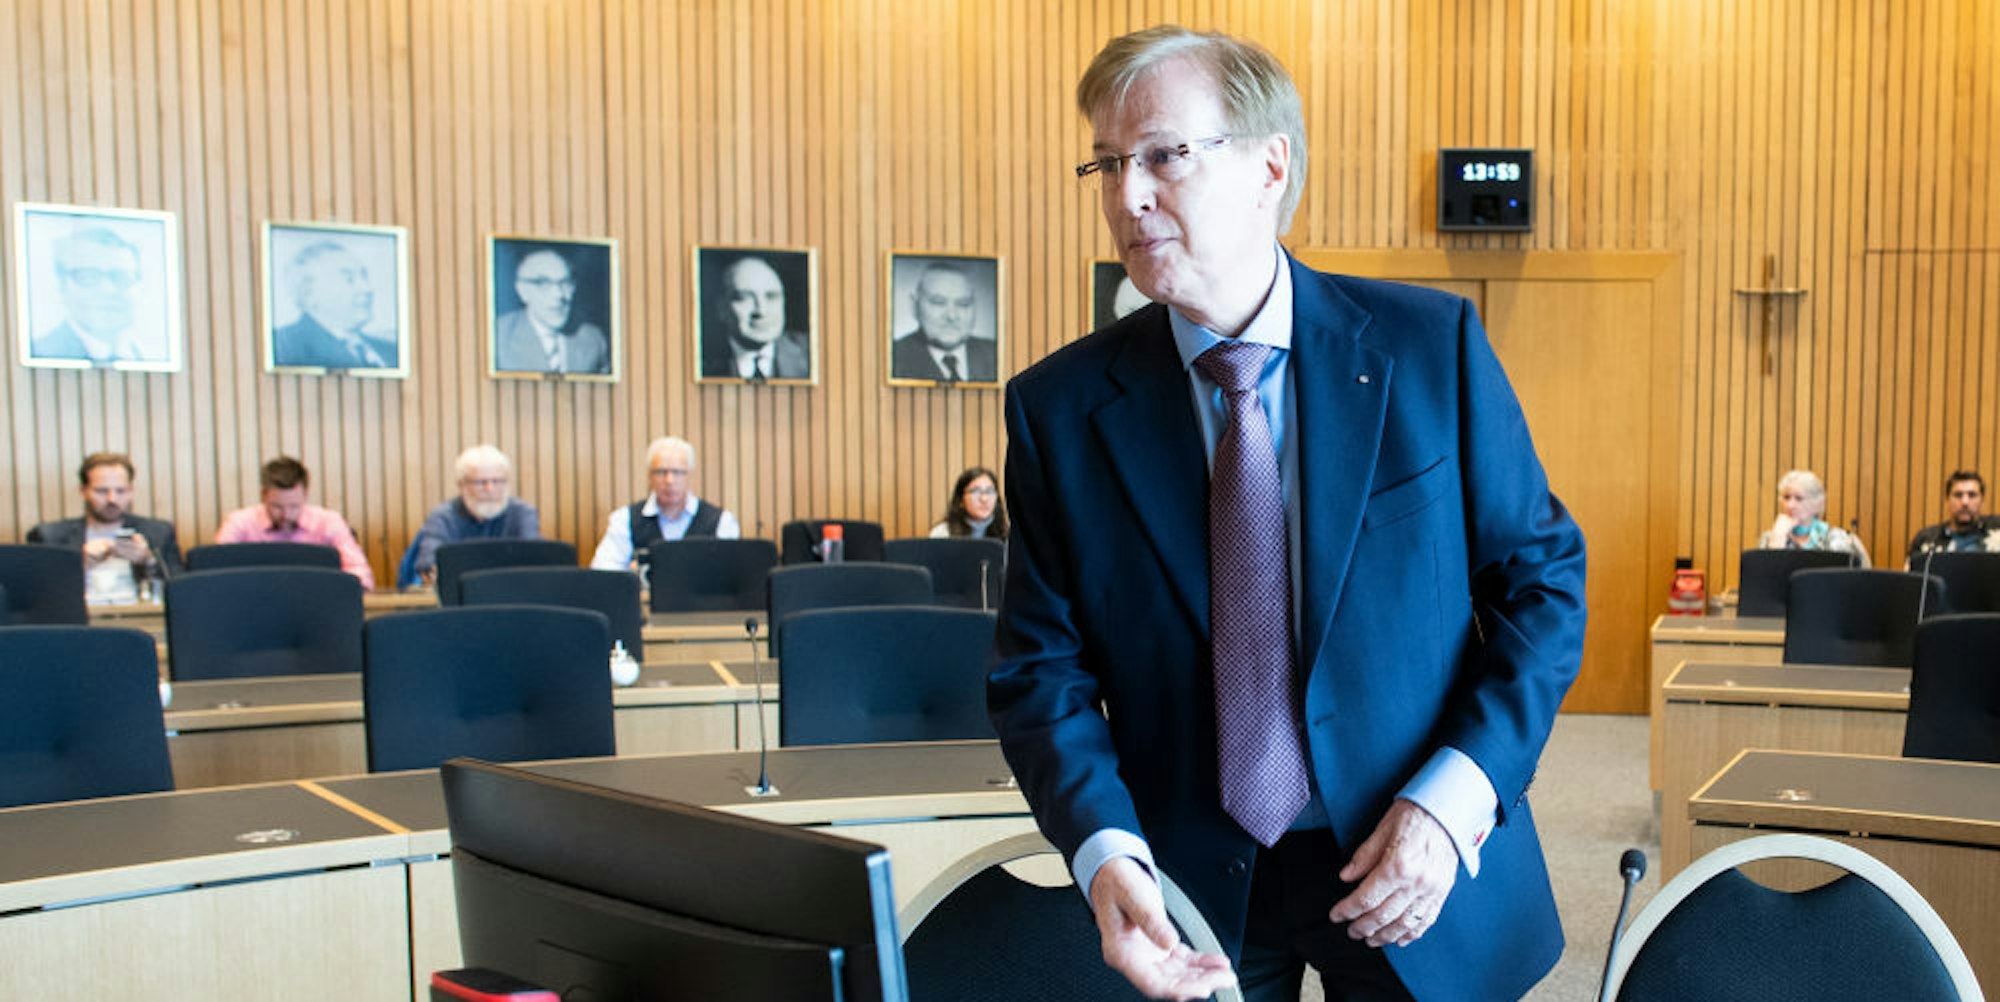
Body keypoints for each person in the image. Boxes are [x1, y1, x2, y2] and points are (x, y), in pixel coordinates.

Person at [987, 27, 1587, 1002]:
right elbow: (1039, 674)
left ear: (1269, 166)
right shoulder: (1059, 411)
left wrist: (1456, 800)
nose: (1126, 195)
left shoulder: (1427, 348)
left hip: (1413, 863)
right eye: (1106, 163)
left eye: (1162, 155)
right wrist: (1103, 850)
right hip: (1187, 892)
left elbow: (1542, 589)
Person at [26, 452, 184, 604]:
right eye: (101, 491)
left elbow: (182, 589)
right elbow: (35, 593)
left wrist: (148, 560)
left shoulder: (159, 532)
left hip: (142, 618)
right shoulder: (49, 536)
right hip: (79, 618)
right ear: (83, 491)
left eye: (120, 491)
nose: (112, 499)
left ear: (131, 491)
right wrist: (77, 564)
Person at [215, 456, 376, 589]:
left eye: (294, 506)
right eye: (277, 507)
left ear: (306, 495)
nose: (286, 515)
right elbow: (217, 571)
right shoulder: (239, 523)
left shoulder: (328, 522)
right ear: (263, 495)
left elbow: (360, 572)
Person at [589, 437, 741, 571]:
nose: (669, 480)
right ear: (649, 476)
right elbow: (604, 571)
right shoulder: (624, 519)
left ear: (690, 476)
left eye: (678, 472)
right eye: (661, 472)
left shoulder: (722, 522)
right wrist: (630, 574)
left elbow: (731, 576)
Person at [401, 445, 542, 587]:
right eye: (480, 482)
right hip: (460, 592)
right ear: (461, 484)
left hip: (512, 590)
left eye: (497, 481)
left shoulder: (523, 514)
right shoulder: (442, 517)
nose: (490, 489)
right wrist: (434, 570)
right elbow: (429, 561)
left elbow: (533, 558)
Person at [31, 228, 163, 364]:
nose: (108, 289)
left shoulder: (151, 355)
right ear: (61, 285)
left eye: (121, 277)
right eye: (88, 277)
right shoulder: (42, 352)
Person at [271, 241, 399, 370]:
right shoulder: (282, 346)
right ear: (308, 293)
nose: (368, 289)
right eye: (349, 279)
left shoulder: (391, 350)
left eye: (364, 277)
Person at [493, 247, 612, 374]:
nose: (559, 295)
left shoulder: (593, 339)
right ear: (522, 290)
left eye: (565, 283)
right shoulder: (498, 337)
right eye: (543, 283)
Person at [700, 255, 811, 379]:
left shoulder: (812, 354)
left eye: (771, 296)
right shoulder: (700, 360)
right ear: (722, 308)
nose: (761, 311)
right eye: (744, 298)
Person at [891, 262, 999, 382]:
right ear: (914, 306)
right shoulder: (893, 358)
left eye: (963, 304)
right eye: (938, 302)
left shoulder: (997, 354)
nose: (952, 316)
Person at [1755, 469, 1869, 566]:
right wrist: (1777, 539)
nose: (1790, 505)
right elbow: (1762, 580)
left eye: (1799, 498)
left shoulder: (1841, 539)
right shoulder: (1769, 539)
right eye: (1786, 497)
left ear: (1817, 505)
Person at [1906, 469, 2000, 565]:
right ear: (1948, 500)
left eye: (1972, 495)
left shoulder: (1997, 530)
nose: (1965, 502)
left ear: (1982, 500)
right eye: (1958, 495)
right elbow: (1911, 572)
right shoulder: (1927, 539)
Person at [929, 467, 1008, 540]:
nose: (984, 499)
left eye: (989, 491)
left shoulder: (1008, 533)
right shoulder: (942, 533)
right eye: (976, 491)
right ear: (961, 500)